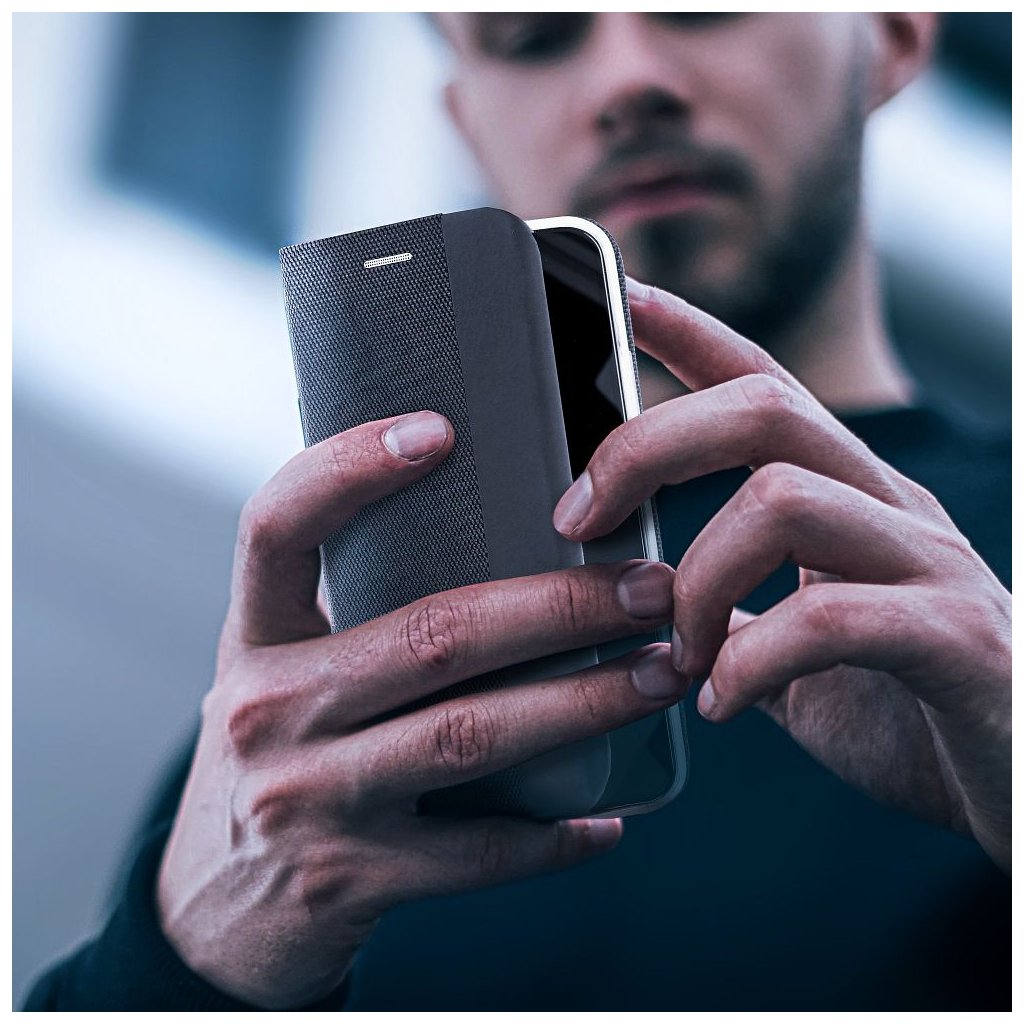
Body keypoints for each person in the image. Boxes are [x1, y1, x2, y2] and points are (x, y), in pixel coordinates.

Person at [24, 12, 1010, 1011]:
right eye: (533, 39)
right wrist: (182, 957)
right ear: (468, 126)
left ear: (892, 37)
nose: (628, 81)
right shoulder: (297, 732)